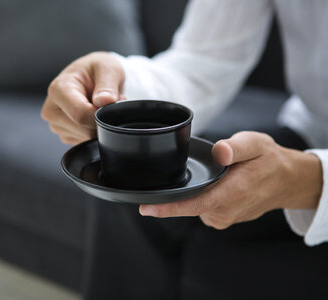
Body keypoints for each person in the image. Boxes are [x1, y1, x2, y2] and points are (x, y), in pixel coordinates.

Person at [42, 1, 328, 299]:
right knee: (127, 185)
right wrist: (117, 83)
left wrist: (308, 180)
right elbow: (205, 59)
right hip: (312, 128)